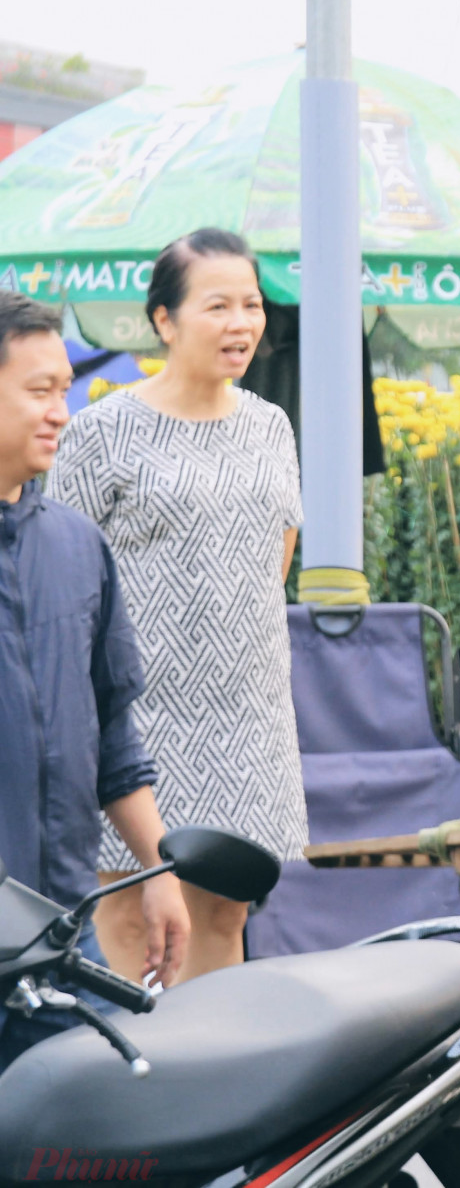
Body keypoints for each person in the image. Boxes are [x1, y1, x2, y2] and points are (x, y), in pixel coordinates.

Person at [46, 230, 305, 984]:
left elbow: (273, 557)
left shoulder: (269, 426)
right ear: (164, 320)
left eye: (251, 304)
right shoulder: (102, 431)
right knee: (131, 912)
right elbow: (67, 574)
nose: (241, 323)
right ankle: (137, 1091)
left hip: (248, 715)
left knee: (225, 910)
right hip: (139, 723)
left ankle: (214, 1090)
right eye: (217, 305)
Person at [0, 292, 189, 1072]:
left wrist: (159, 871)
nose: (63, 411)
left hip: (57, 941)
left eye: (64, 388)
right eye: (39, 391)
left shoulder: (78, 546)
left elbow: (114, 732)